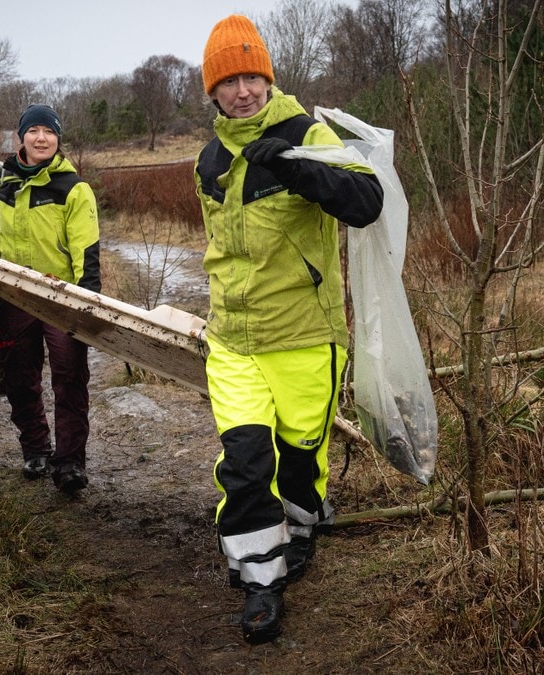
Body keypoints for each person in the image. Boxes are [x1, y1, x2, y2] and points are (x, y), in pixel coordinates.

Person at [194, 14, 384, 644]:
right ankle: (259, 579)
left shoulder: (307, 130)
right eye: (230, 80)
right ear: (212, 91)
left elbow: (366, 202)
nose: (243, 90)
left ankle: (301, 528)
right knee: (246, 463)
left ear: (268, 78)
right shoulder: (211, 158)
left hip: (306, 336)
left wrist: (301, 167)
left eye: (253, 76)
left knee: (300, 460)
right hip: (235, 342)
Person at [0, 103, 101, 496]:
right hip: (14, 294)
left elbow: (87, 252)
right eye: (34, 131)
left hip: (61, 298)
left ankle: (70, 463)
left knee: (70, 379)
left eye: (49, 132)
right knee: (20, 376)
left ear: (58, 139)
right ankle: (36, 448)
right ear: (21, 137)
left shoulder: (74, 188)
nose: (42, 138)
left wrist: (88, 306)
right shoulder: (1, 180)